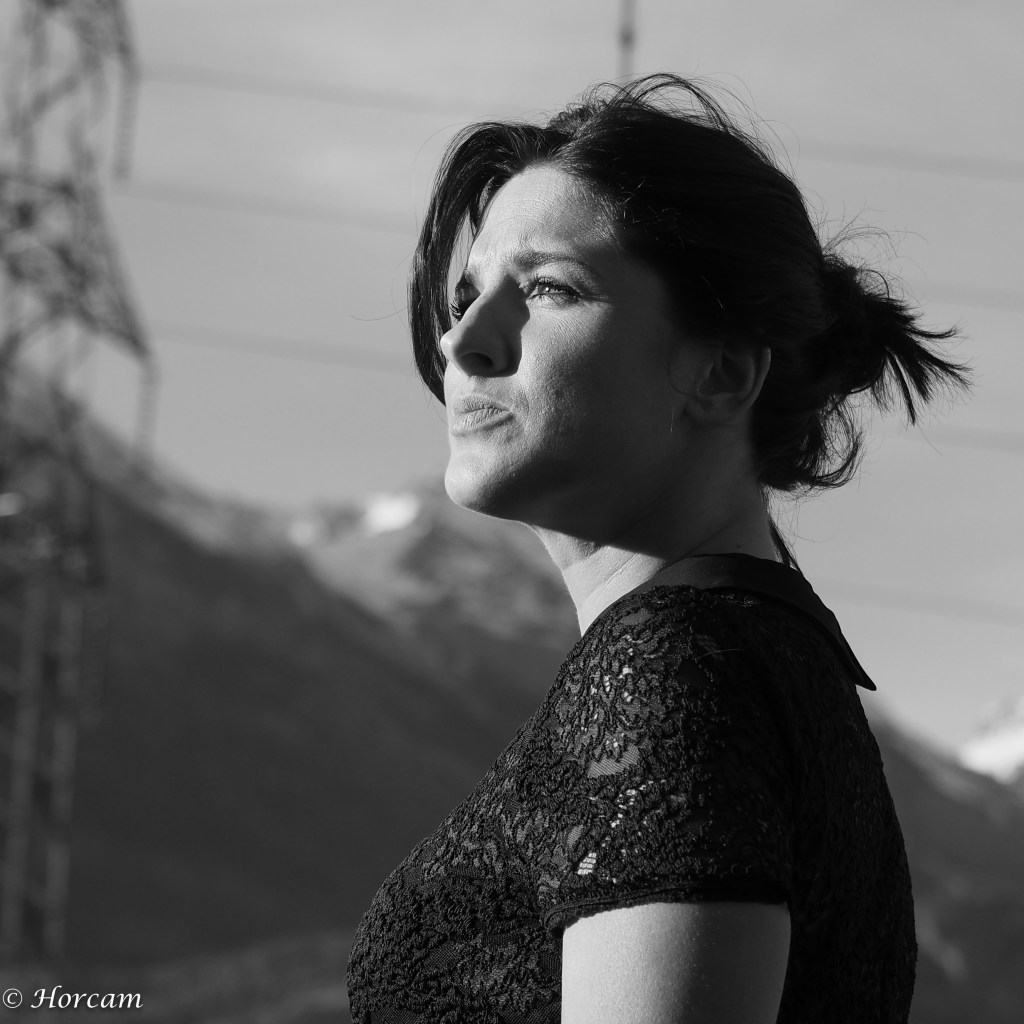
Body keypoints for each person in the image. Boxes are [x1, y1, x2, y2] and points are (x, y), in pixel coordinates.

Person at [346, 74, 969, 1023]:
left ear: (721, 372)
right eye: (466, 296)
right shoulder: (758, 657)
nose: (464, 342)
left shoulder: (675, 671)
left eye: (549, 288)